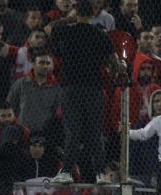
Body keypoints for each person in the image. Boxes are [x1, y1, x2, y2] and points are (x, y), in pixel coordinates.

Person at [50, 2, 119, 183]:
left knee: (73, 131)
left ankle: (66, 172)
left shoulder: (66, 32)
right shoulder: (100, 34)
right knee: (94, 133)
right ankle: (101, 173)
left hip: (71, 87)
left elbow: (49, 29)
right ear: (93, 14)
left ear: (76, 12)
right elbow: (114, 63)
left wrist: (69, 18)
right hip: (94, 88)